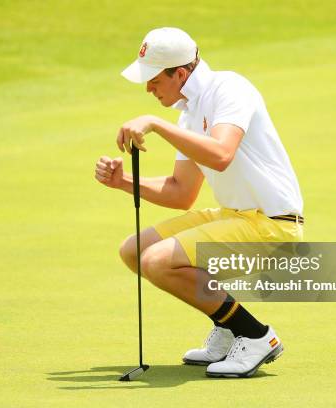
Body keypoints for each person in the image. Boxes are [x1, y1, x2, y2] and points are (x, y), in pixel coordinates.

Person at [94, 27, 304, 378]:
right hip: (234, 215)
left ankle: (255, 335)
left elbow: (222, 154)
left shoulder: (229, 88)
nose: (148, 88)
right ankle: (227, 327)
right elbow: (181, 192)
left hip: (272, 224)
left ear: (180, 73)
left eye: (154, 79)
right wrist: (123, 182)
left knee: (159, 261)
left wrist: (156, 124)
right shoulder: (189, 113)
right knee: (135, 250)